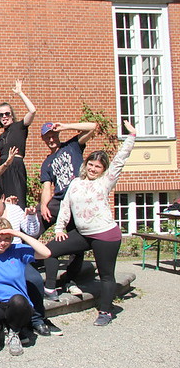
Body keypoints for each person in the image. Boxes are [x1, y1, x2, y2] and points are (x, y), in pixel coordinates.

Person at [46, 120, 136, 327]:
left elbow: (119, 161)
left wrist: (131, 137)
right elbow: (66, 206)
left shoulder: (104, 183)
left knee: (106, 275)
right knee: (49, 250)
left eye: (98, 166)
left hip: (106, 234)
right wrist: (59, 229)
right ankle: (50, 289)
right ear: (85, 165)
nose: (94, 169)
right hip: (83, 233)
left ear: (103, 170)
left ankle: (105, 311)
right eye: (91, 165)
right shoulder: (76, 183)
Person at [0, 182, 55, 337]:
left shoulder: (15, 210)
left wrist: (29, 219)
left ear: (2, 198)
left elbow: (32, 232)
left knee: (35, 279)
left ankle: (36, 319)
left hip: (15, 256)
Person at [0, 217, 52, 356]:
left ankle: (14, 331)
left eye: (7, 239)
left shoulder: (18, 251)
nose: (3, 243)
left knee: (18, 301)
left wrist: (19, 234)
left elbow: (46, 253)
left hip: (17, 303)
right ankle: (3, 327)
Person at [38, 120, 97, 300]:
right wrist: (43, 205)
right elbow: (47, 187)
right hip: (59, 199)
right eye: (47, 137)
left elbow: (93, 127)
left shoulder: (72, 146)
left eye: (53, 135)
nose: (51, 139)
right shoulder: (47, 163)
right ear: (43, 140)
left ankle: (70, 279)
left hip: (77, 201)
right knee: (34, 225)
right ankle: (25, 262)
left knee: (76, 245)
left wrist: (64, 126)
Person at [0, 79, 36, 209]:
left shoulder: (19, 127)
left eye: (7, 113)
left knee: (18, 200)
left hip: (15, 166)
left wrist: (20, 93)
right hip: (2, 167)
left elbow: (32, 111)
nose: (4, 117)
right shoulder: (1, 137)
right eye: (1, 115)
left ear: (12, 115)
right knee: (3, 200)